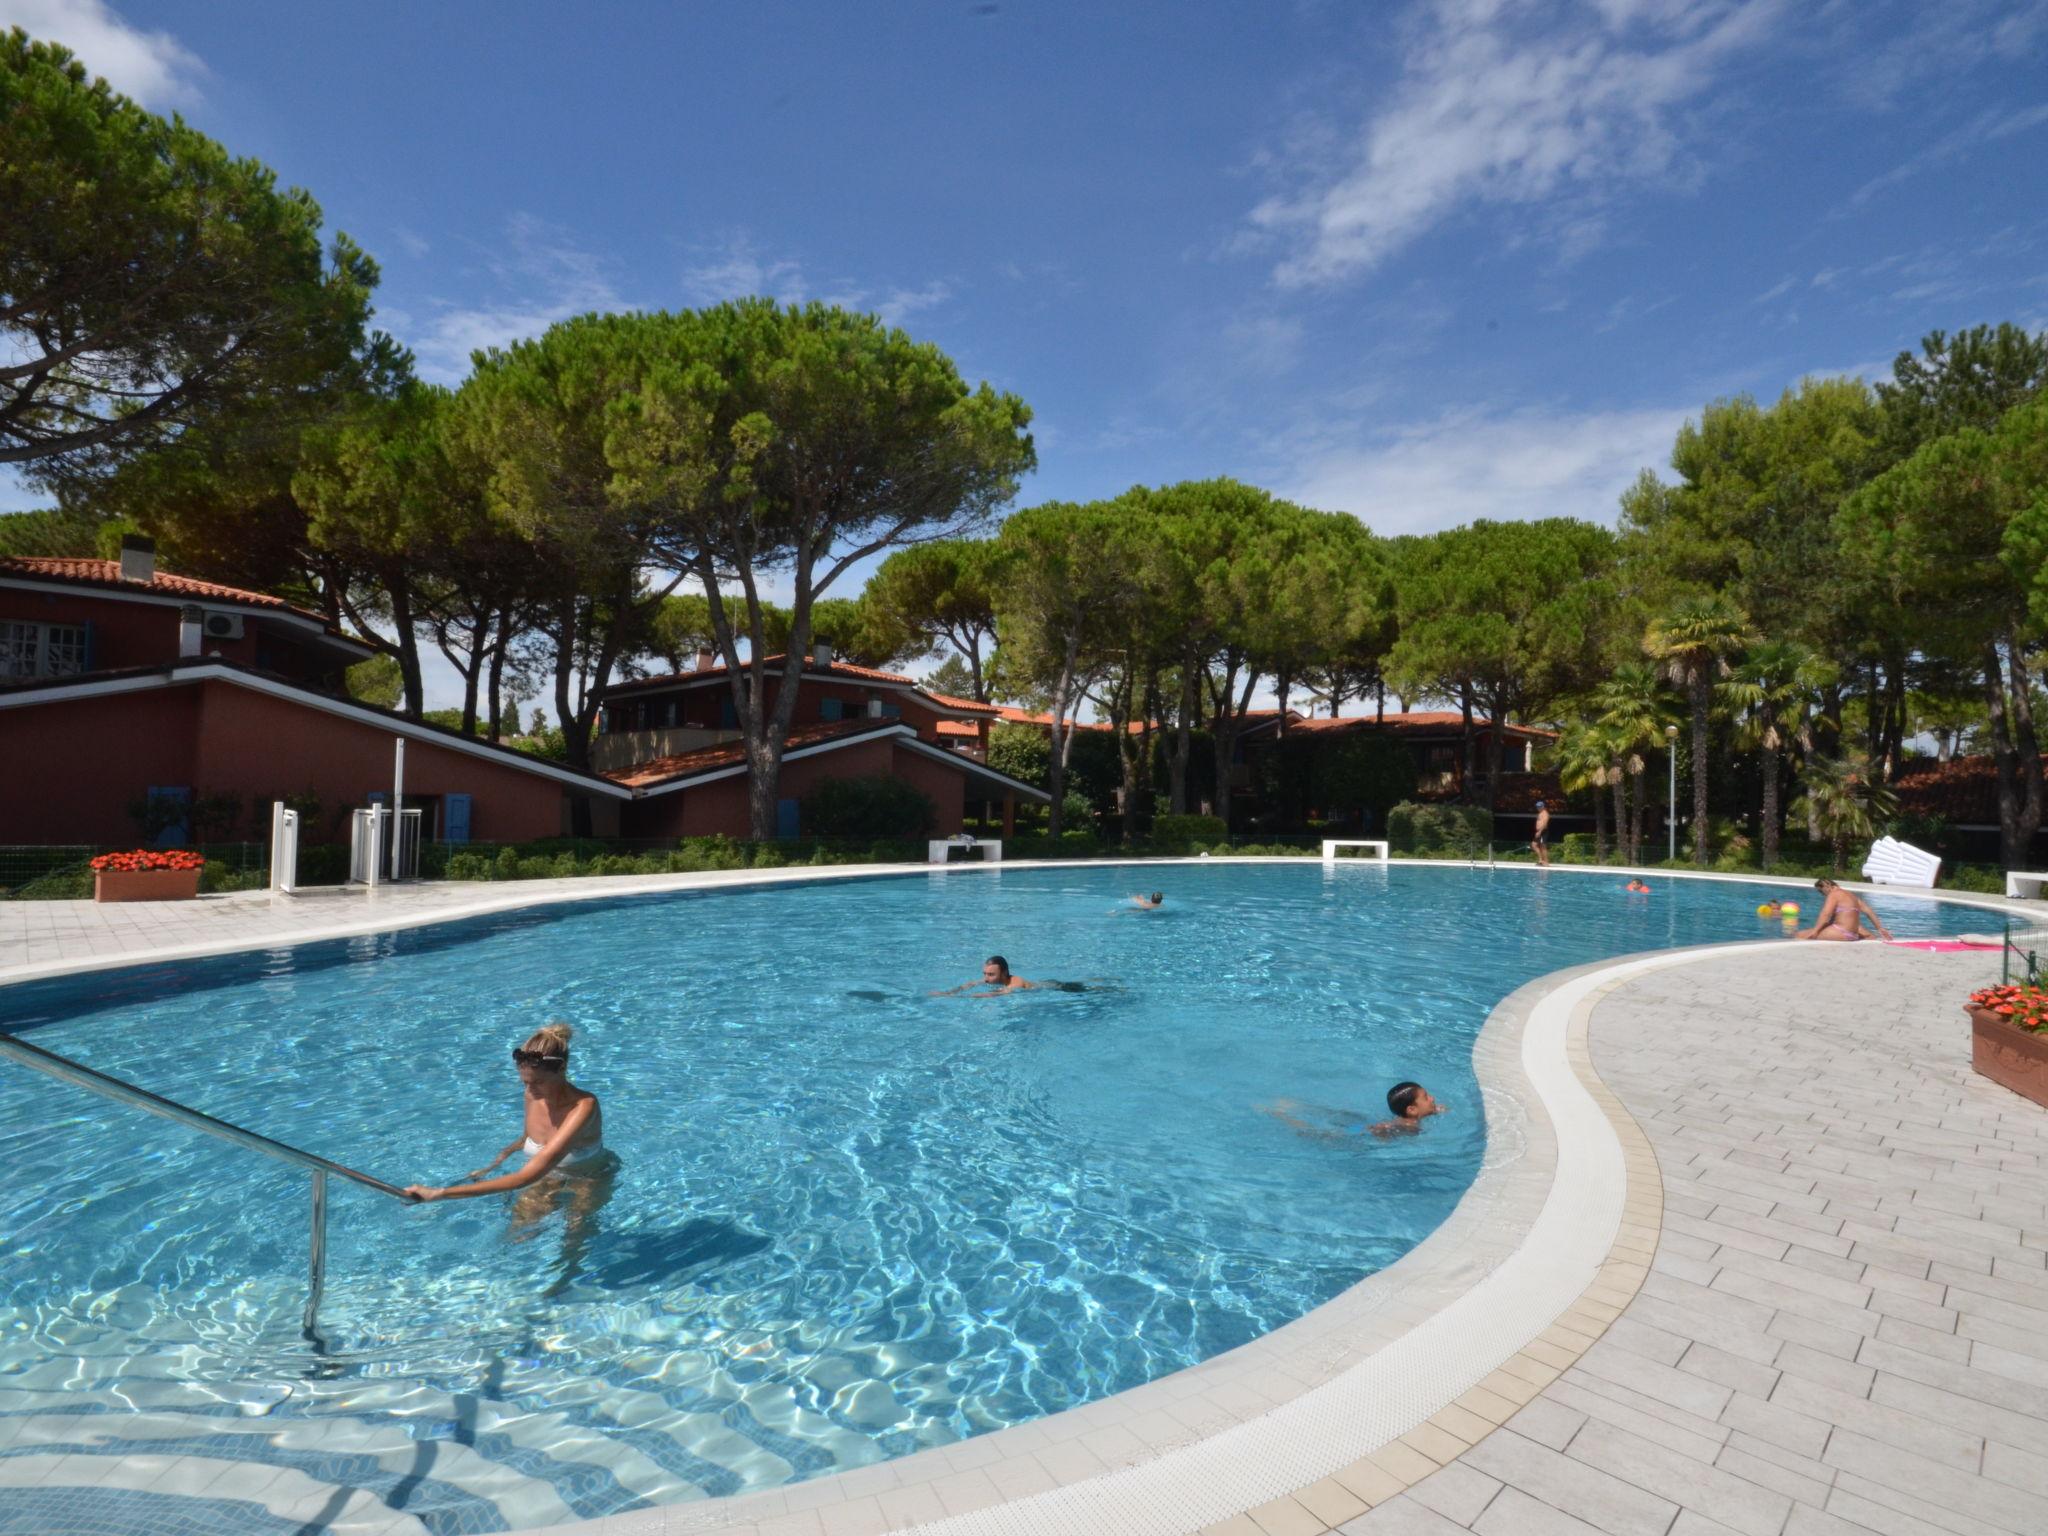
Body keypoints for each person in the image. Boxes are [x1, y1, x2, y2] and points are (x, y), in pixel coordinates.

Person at [404, 1022, 606, 1202]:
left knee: (574, 1239)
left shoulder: (583, 1107)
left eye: (538, 1082)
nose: (530, 1089)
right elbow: (526, 1138)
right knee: (518, 1234)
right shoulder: (532, 1095)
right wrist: (494, 1164)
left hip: (586, 1179)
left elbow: (525, 1177)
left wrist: (439, 1193)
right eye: (525, 1082)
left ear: (561, 1068)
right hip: (544, 1179)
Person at [1791, 880, 1893, 943]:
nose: (1822, 894)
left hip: (1841, 932)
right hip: (1854, 934)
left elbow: (1826, 914)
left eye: (1821, 891)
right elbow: (1869, 911)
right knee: (1860, 928)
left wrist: (1815, 931)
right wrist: (1880, 928)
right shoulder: (1852, 895)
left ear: (1827, 886)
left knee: (1799, 935)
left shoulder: (1834, 894)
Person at [1368, 1081, 1446, 1137]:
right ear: (1412, 1110)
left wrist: (1434, 1110)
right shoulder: (1410, 1127)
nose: (1432, 1098)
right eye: (1426, 1098)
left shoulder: (1411, 1117)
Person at [932, 955, 1036, 995]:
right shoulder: (990, 979)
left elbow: (993, 995)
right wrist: (948, 992)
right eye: (985, 974)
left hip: (1049, 987)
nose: (986, 979)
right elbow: (970, 984)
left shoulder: (1016, 982)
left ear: (1004, 973)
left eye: (991, 974)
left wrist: (960, 997)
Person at [1530, 801, 1551, 868]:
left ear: (1543, 806)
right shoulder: (1540, 813)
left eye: (1539, 806)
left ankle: (1546, 862)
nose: (1538, 808)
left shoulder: (1545, 814)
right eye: (1537, 806)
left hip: (1543, 831)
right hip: (1539, 831)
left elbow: (1545, 824)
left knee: (1543, 846)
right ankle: (1541, 860)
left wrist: (1540, 831)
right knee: (1534, 845)